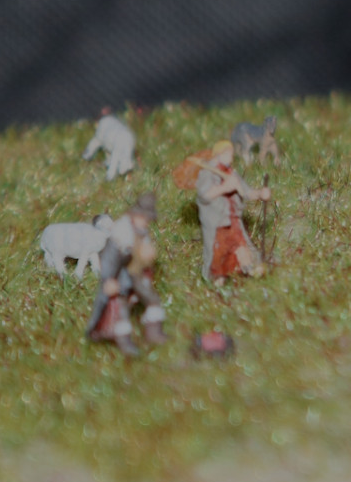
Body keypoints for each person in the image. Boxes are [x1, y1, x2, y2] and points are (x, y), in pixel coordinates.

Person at [87, 193, 165, 355]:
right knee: (119, 309)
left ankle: (154, 333)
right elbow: (109, 260)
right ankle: (123, 340)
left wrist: (147, 257)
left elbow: (142, 254)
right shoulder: (120, 235)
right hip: (120, 276)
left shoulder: (142, 232)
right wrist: (109, 279)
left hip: (136, 274)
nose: (146, 221)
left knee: (152, 299)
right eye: (144, 217)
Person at [182, 140, 270, 280]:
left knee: (241, 246)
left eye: (232, 154)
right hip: (217, 223)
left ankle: (250, 271)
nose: (231, 158)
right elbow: (204, 195)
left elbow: (246, 192)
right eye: (229, 154)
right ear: (219, 154)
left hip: (233, 220)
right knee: (218, 256)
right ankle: (217, 281)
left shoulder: (231, 173)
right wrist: (224, 188)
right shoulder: (207, 173)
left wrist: (260, 194)